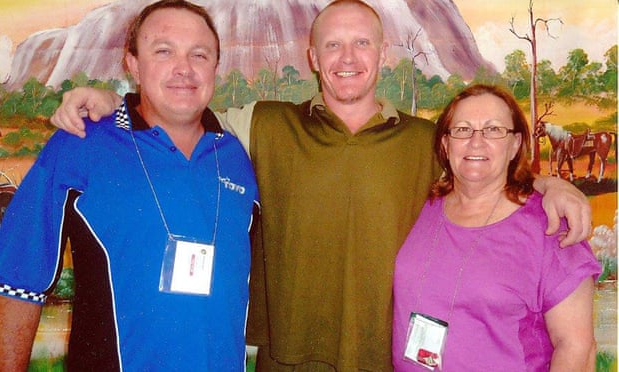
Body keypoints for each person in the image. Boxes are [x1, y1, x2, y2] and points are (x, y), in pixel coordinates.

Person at [50, 1, 592, 370]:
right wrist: (110, 103)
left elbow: (484, 162)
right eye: (333, 46)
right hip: (286, 360)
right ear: (313, 58)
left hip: (389, 359)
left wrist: (549, 185)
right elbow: (178, 107)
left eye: (362, 44)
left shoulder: (428, 141)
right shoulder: (261, 123)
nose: (348, 59)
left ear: (384, 55)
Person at [0, 1, 258, 370]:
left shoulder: (238, 155)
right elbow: (16, 283)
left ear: (216, 66)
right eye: (164, 51)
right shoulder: (80, 143)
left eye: (199, 55)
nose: (184, 68)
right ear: (133, 64)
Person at [392, 84, 600, 371]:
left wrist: (553, 184)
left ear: (515, 145)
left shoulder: (550, 227)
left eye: (493, 130)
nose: (476, 142)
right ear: (445, 144)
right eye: (463, 130)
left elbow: (578, 348)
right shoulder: (424, 203)